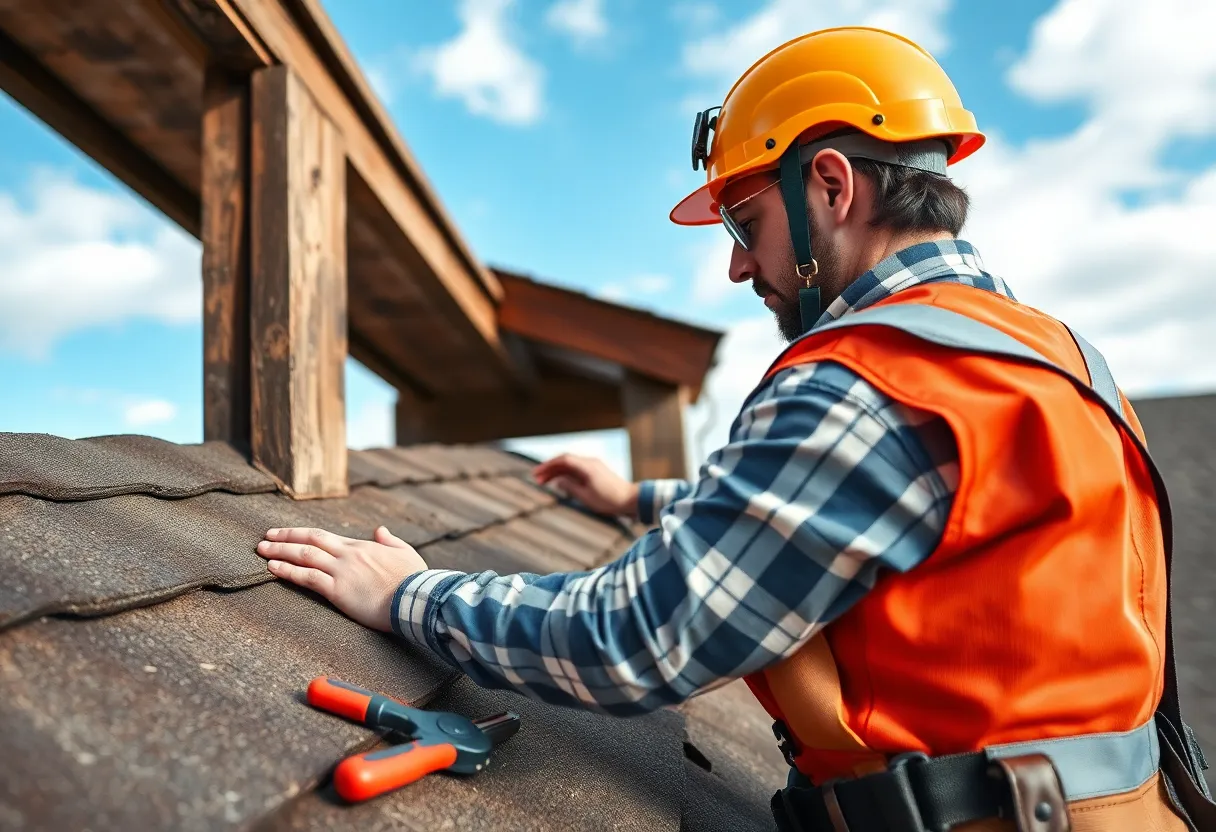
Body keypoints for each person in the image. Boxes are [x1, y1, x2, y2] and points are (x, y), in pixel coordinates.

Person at [257, 26, 1215, 831]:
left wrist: (415, 597)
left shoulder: (867, 381)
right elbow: (896, 522)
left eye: (744, 223)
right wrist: (636, 498)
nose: (734, 268)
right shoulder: (1053, 359)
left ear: (832, 186)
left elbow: (641, 633)